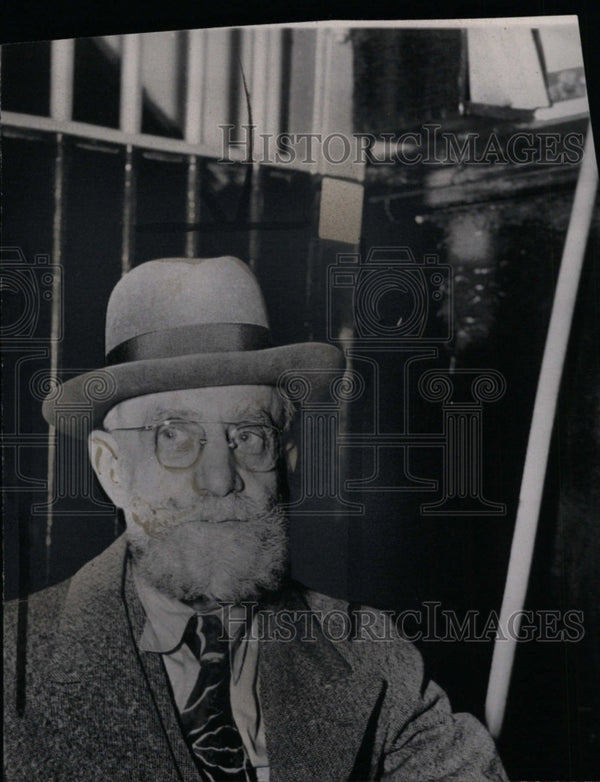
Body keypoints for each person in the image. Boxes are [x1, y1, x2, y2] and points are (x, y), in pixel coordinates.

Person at [4, 256, 508, 781]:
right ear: (111, 468)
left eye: (248, 435)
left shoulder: (371, 655)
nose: (220, 479)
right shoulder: (13, 667)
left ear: (284, 458)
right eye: (174, 435)